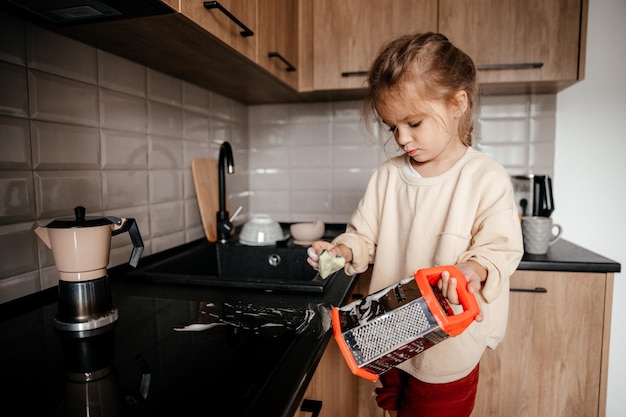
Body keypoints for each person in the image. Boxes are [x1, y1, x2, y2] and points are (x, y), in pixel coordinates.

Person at [306, 32, 524, 417]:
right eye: (392, 127)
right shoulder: (387, 177)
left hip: (447, 350)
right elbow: (363, 236)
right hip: (389, 337)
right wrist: (340, 250)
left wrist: (472, 270)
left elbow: (499, 248)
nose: (401, 138)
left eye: (414, 122)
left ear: (458, 104)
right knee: (392, 409)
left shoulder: (485, 177)